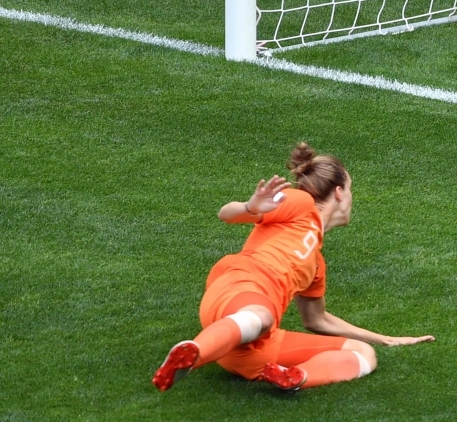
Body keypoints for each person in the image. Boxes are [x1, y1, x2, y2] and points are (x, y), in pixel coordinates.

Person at [152, 143, 434, 392]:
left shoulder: (316, 264)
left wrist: (384, 339)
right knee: (261, 316)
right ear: (338, 193)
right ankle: (193, 354)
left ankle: (294, 376)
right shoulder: (301, 204)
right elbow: (226, 214)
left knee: (363, 355)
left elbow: (317, 320)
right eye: (350, 189)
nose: (351, 198)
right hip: (237, 292)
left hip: (247, 351)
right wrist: (250, 206)